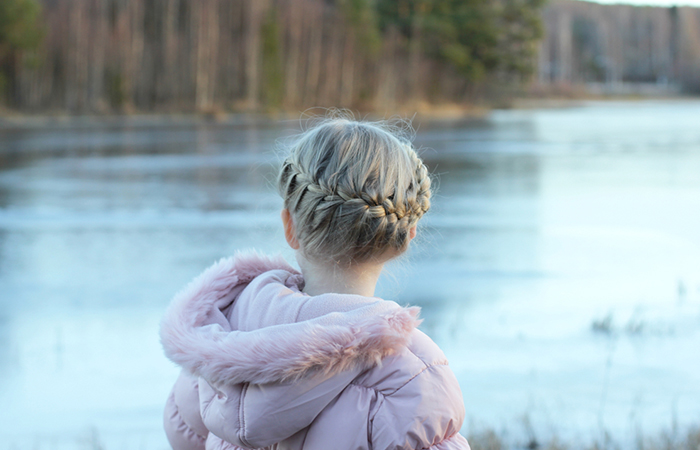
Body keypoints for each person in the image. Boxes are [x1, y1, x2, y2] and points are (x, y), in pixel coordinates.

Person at [160, 117, 470, 450]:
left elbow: (185, 436)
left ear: (289, 225)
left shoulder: (218, 342)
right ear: (406, 235)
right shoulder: (413, 379)